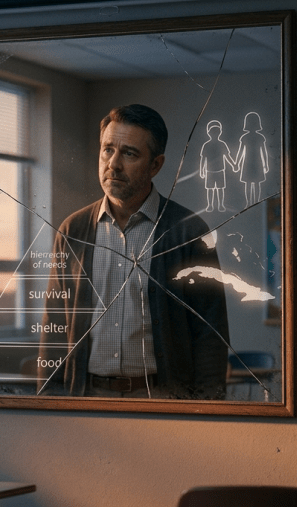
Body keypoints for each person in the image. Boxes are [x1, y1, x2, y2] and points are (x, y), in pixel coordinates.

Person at [38, 104, 229, 399]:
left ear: (155, 165)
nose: (113, 164)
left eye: (129, 153)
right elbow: (54, 327)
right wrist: (48, 400)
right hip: (86, 398)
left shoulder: (188, 232)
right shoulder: (73, 230)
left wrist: (207, 408)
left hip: (162, 400)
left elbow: (210, 335)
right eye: (107, 150)